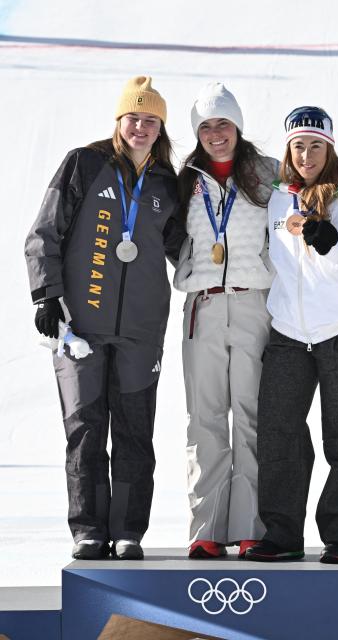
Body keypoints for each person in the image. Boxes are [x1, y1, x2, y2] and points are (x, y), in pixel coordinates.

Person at [25, 76, 186, 560]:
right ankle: (88, 529)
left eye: (151, 120)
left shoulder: (166, 184)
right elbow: (44, 232)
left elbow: (185, 249)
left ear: (161, 128)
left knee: (136, 432)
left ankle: (130, 530)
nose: (141, 126)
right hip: (81, 329)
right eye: (133, 117)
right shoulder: (85, 163)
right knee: (86, 430)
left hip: (141, 332)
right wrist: (46, 295)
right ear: (119, 121)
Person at [245, 106, 338, 563]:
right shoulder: (278, 200)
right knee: (278, 434)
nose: (306, 154)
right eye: (298, 146)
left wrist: (335, 246)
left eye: (315, 145)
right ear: (288, 152)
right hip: (289, 334)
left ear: (329, 147)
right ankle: (283, 533)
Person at [174, 82, 279, 559]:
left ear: (238, 126)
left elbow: (309, 206)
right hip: (204, 308)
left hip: (254, 302)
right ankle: (208, 528)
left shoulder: (269, 174)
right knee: (206, 418)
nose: (216, 134)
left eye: (224, 124)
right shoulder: (184, 179)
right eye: (206, 126)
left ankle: (254, 526)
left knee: (253, 416)